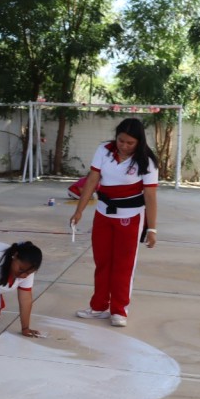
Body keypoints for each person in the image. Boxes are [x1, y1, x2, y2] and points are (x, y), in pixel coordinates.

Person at [69, 117, 159, 327]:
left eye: (130, 143)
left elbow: (150, 196)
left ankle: (119, 310)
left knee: (123, 266)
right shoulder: (104, 150)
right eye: (121, 140)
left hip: (130, 218)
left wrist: (152, 229)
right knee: (102, 262)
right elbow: (93, 179)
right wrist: (79, 210)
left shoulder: (147, 161)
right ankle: (99, 306)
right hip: (103, 215)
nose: (124, 146)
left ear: (139, 142)